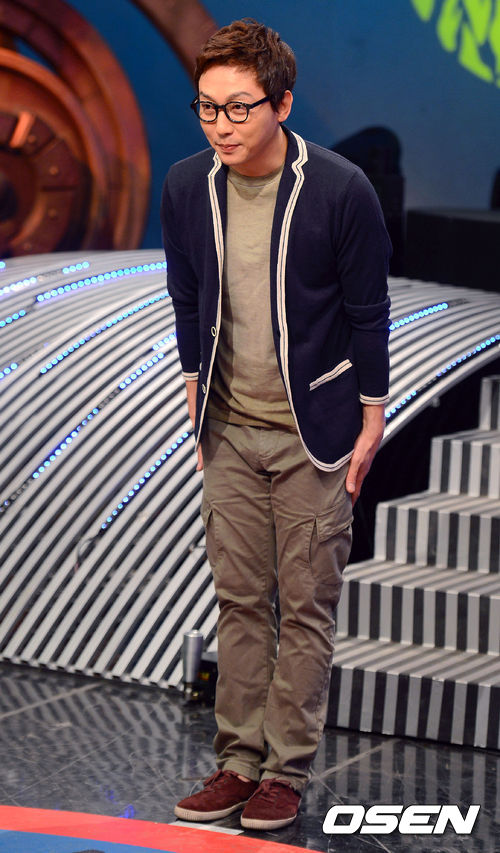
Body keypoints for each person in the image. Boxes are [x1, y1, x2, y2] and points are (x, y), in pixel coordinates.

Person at [161, 18, 391, 831]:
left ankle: (283, 773)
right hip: (227, 426)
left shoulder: (339, 189)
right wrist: (193, 393)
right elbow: (187, 296)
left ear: (282, 104)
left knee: (304, 606)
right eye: (207, 107)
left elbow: (368, 311)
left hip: (314, 430)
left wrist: (372, 416)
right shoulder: (187, 185)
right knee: (237, 601)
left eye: (239, 108)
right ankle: (237, 762)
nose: (221, 125)